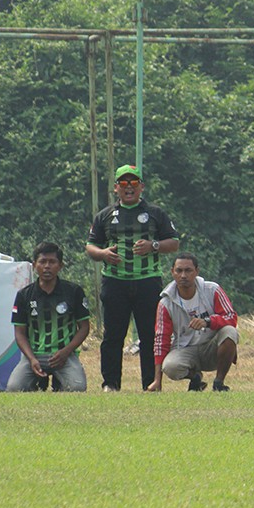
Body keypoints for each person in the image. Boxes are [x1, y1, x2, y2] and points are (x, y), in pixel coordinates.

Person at [86, 164, 180, 391]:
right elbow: (90, 246)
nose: (129, 188)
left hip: (147, 280)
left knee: (150, 335)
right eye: (124, 184)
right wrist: (104, 254)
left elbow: (174, 243)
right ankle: (110, 384)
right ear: (116, 188)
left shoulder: (156, 213)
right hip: (115, 281)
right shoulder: (105, 215)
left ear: (142, 187)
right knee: (113, 336)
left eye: (134, 183)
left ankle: (151, 383)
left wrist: (153, 245)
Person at [146, 253, 239, 392]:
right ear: (172, 272)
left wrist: (207, 322)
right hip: (185, 349)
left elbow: (231, 317)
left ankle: (219, 382)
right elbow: (161, 340)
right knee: (170, 367)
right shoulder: (165, 303)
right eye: (179, 270)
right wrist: (157, 381)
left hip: (211, 348)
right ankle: (195, 378)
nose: (183, 275)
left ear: (197, 271)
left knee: (230, 332)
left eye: (188, 270)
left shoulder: (212, 290)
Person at [7, 242, 91, 392]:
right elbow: (19, 333)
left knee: (77, 388)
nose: (47, 266)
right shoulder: (24, 295)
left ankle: (58, 381)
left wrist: (66, 352)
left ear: (60, 266)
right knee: (14, 388)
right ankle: (38, 380)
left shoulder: (73, 291)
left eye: (52, 262)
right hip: (34, 355)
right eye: (42, 262)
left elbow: (84, 327)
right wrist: (32, 359)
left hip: (64, 355)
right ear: (34, 265)